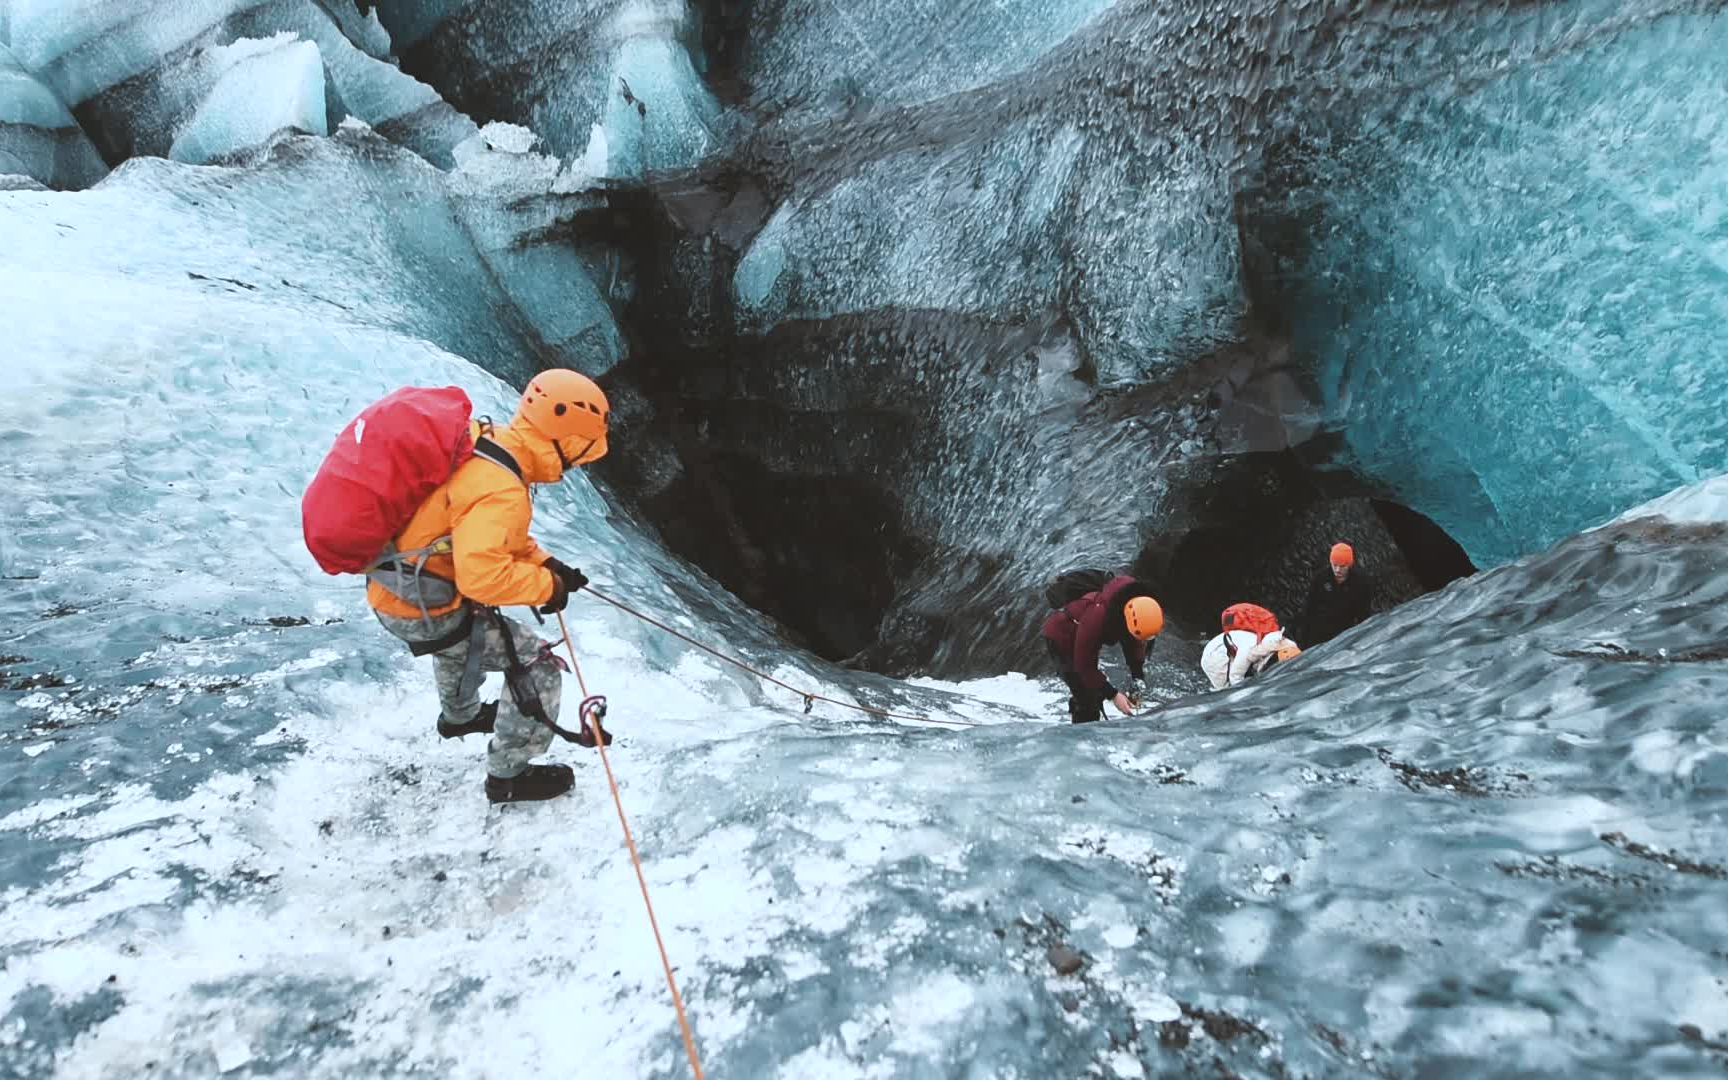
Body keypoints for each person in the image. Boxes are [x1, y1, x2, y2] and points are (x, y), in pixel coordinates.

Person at [367, 369, 610, 804]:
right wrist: (545, 587)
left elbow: (484, 533)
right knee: (537, 665)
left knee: (465, 636)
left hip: (399, 588)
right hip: (423, 607)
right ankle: (509, 777)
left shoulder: (491, 444)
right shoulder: (504, 489)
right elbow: (481, 575)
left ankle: (459, 717)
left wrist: (545, 563)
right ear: (566, 441)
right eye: (581, 452)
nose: (578, 464)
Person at [1041, 574, 1163, 723]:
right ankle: (1081, 735)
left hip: (1087, 633)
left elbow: (1132, 642)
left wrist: (1137, 677)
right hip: (1061, 637)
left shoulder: (1138, 604)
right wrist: (1113, 695)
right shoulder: (1097, 616)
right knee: (1086, 697)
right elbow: (1084, 666)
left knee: (1093, 688)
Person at [1202, 603, 1293, 690]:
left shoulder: (1276, 643)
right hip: (1214, 656)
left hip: (1224, 650)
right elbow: (1235, 676)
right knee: (1225, 690)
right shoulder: (1250, 645)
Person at [1297, 542, 1372, 647]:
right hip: (1317, 634)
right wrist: (1303, 640)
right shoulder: (1320, 578)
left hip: (1344, 635)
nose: (1337, 570)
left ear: (1349, 565)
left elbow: (1364, 614)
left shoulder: (1360, 582)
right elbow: (1309, 609)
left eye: (1342, 566)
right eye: (1334, 565)